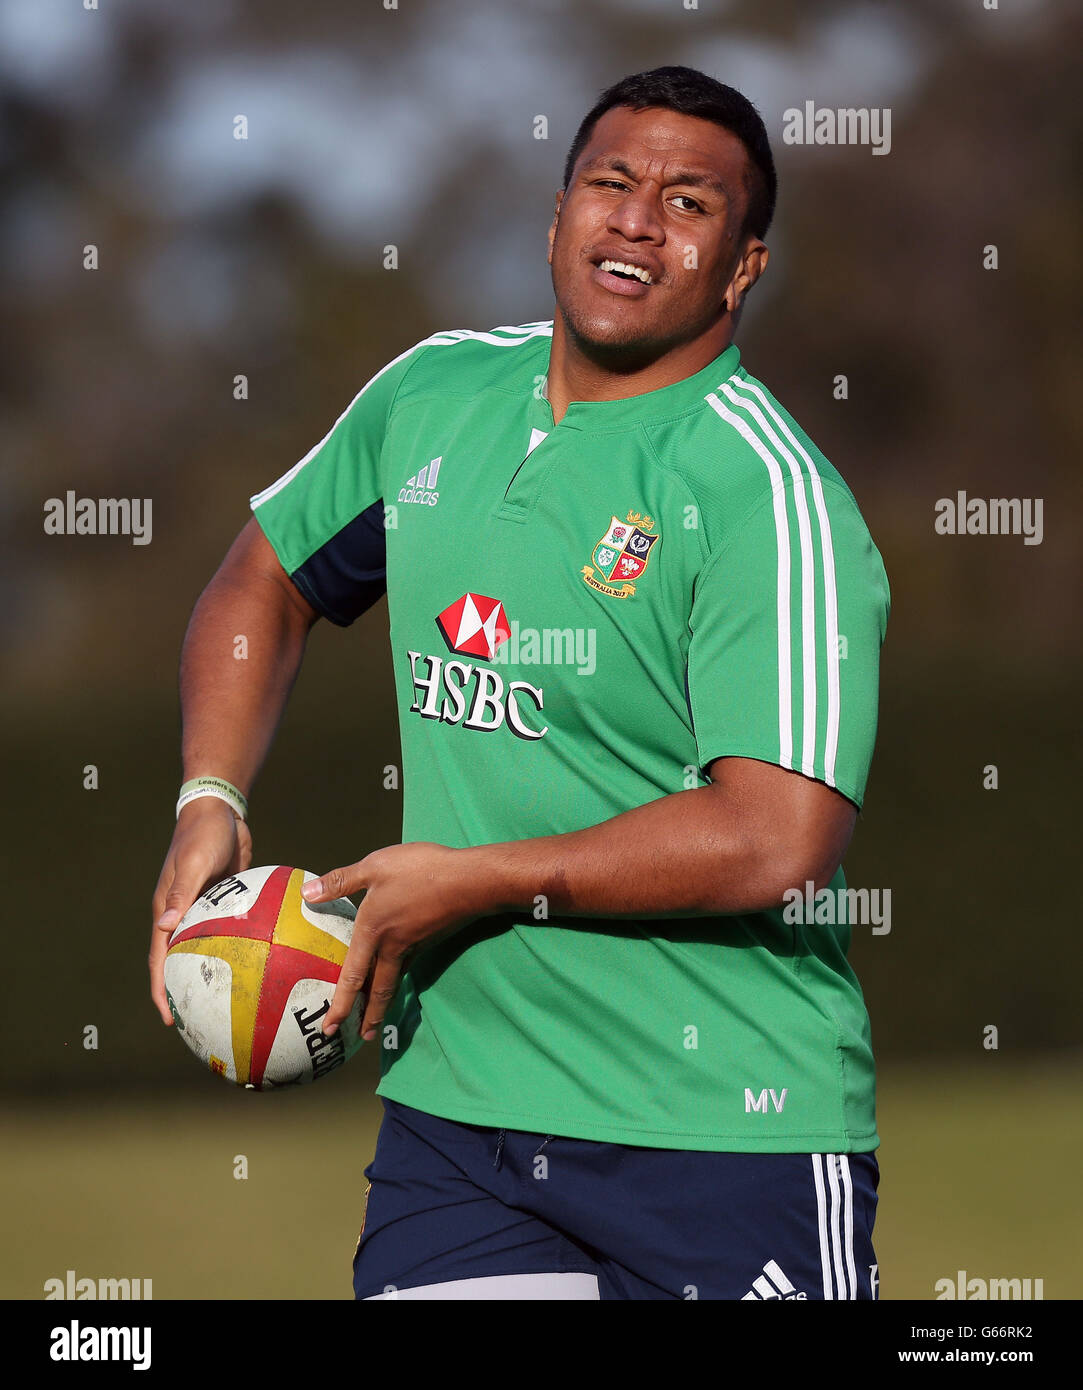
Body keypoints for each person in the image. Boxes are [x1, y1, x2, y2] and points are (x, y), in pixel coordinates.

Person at [150, 65, 889, 1301]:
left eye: (690, 202)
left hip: (725, 1133)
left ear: (744, 265)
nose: (639, 219)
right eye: (611, 182)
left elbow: (779, 836)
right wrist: (208, 793)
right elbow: (259, 582)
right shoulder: (433, 396)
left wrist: (477, 880)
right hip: (463, 1124)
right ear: (556, 218)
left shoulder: (768, 492)